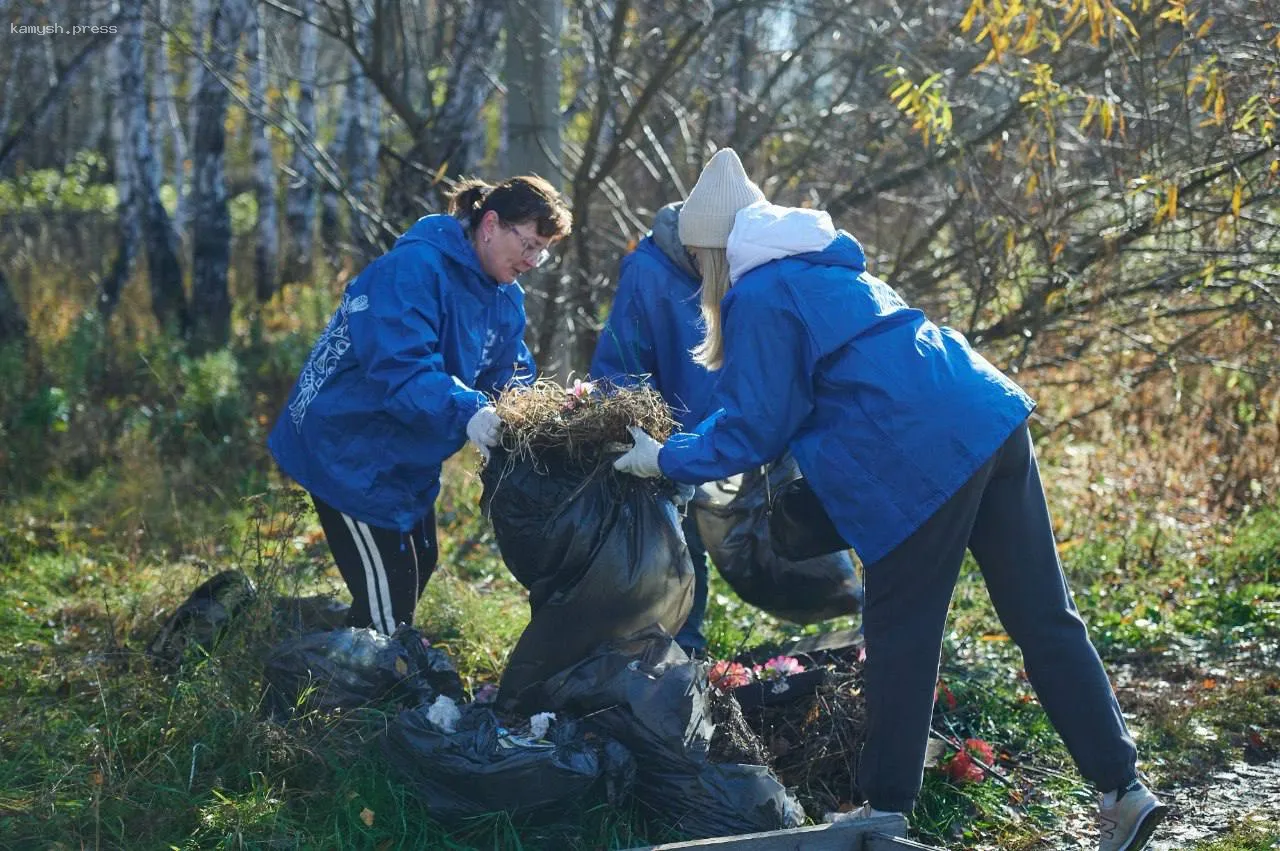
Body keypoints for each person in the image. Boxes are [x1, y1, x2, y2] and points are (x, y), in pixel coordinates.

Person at [612, 149, 1166, 851]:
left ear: (714, 249)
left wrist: (667, 456)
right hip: (989, 413)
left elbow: (757, 423)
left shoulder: (759, 292)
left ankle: (884, 808)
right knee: (1045, 616)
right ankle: (1123, 788)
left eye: (698, 259)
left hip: (920, 453)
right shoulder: (828, 266)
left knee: (902, 632)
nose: (698, 276)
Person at [268, 175, 572, 635]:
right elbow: (403, 369)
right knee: (388, 606)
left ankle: (313, 642)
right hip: (348, 447)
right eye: (528, 244)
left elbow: (508, 374)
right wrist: (470, 412)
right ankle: (357, 697)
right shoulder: (413, 269)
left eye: (541, 252)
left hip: (406, 454)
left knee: (418, 565)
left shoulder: (505, 295)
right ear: (490, 224)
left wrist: (543, 415)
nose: (532, 261)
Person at [588, 200, 739, 656]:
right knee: (670, 544)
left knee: (693, 549)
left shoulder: (730, 268)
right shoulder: (648, 273)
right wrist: (650, 438)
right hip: (655, 439)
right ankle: (653, 646)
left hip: (703, 435)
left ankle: (686, 647)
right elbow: (623, 364)